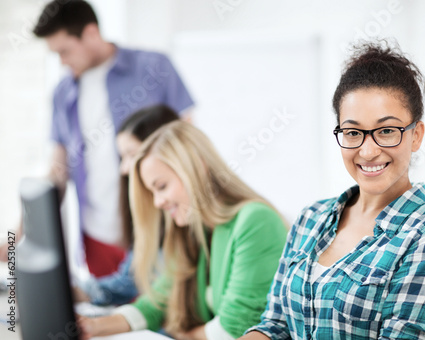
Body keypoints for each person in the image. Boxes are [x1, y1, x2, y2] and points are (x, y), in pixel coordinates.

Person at [240, 41, 425, 339]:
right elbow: (275, 325)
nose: (368, 150)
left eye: (387, 130)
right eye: (353, 132)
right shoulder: (311, 218)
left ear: (416, 136)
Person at [0, 0, 194, 277]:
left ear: (91, 33)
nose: (62, 61)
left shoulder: (153, 67)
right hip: (97, 236)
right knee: (103, 309)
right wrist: (17, 235)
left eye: (64, 51)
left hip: (159, 226)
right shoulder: (63, 92)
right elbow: (58, 171)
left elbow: (188, 143)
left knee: (158, 313)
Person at [79, 121, 289, 340]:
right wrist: (92, 327)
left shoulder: (255, 221)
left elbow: (234, 328)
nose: (158, 202)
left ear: (197, 168)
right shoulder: (194, 231)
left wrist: (183, 335)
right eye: (153, 192)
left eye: (161, 187)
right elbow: (156, 303)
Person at [73, 104, 179, 306]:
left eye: (131, 155)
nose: (124, 169)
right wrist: (70, 292)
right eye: (122, 158)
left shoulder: (185, 215)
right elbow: (126, 283)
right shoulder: (153, 215)